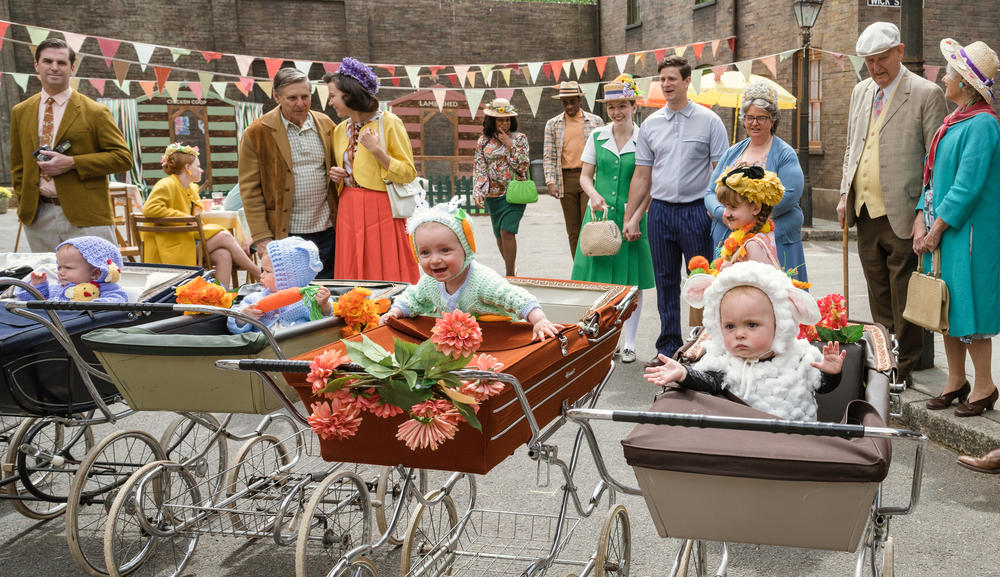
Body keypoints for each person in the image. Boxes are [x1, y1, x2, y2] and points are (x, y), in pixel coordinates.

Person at [838, 22, 948, 384]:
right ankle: (883, 358)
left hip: (905, 211)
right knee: (878, 292)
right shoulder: (860, 92)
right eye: (869, 61)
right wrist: (843, 195)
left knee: (906, 295)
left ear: (900, 52)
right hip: (865, 210)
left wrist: (924, 213)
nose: (874, 67)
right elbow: (851, 149)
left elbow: (936, 162)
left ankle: (906, 367)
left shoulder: (926, 92)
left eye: (881, 59)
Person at [622, 55, 729, 367]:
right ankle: (668, 348)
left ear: (686, 81)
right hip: (661, 214)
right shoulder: (651, 126)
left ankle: (705, 349)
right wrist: (632, 217)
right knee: (665, 282)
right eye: (662, 80)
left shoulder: (710, 121)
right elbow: (642, 176)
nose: (666, 85)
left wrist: (713, 209)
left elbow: (720, 172)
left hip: (698, 212)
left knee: (703, 283)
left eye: (672, 79)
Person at [914, 39, 1000, 417]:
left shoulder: (982, 124)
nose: (942, 78)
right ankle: (956, 382)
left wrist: (937, 228)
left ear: (964, 83)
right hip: (947, 229)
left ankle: (984, 386)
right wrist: (922, 214)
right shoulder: (955, 121)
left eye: (948, 73)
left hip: (970, 235)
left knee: (972, 309)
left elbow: (968, 185)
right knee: (948, 309)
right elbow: (933, 177)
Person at [645, 262, 845, 422]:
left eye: (751, 325)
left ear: (779, 324)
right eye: (730, 327)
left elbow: (823, 387)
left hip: (796, 447)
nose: (739, 334)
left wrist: (831, 372)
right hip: (743, 449)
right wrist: (684, 374)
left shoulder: (800, 357)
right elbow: (709, 383)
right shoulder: (724, 359)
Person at [9, 38, 133, 252]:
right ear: (36, 66)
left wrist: (73, 162)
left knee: (99, 282)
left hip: (87, 216)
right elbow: (18, 164)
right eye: (48, 61)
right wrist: (24, 203)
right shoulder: (21, 111)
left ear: (72, 68)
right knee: (49, 282)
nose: (54, 67)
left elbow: (123, 158)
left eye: (62, 62)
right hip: (38, 217)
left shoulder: (95, 111)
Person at [380, 198, 562, 342]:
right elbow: (413, 299)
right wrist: (394, 312)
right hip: (459, 343)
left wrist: (539, 320)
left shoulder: (482, 280)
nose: (435, 260)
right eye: (425, 252)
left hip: (501, 339)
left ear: (466, 248)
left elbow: (516, 298)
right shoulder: (429, 282)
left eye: (445, 250)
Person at [570, 75, 653, 363]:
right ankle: (605, 338)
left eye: (622, 106)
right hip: (600, 216)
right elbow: (584, 176)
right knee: (600, 279)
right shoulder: (597, 136)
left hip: (631, 216)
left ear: (633, 105)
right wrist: (592, 194)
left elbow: (650, 183)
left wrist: (638, 215)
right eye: (612, 107)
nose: (617, 112)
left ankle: (629, 342)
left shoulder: (645, 138)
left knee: (632, 282)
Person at [325, 57, 419, 284]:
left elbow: (408, 173)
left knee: (385, 267)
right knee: (352, 268)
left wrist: (377, 151)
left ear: (349, 95)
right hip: (348, 207)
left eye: (332, 96)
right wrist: (337, 175)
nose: (329, 103)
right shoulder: (339, 130)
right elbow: (351, 170)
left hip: (382, 207)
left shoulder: (389, 122)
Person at [239, 67, 338, 278]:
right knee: (290, 295)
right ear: (276, 96)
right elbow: (250, 190)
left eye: (305, 96)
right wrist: (262, 236)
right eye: (292, 98)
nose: (300, 103)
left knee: (328, 293)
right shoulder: (256, 133)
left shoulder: (326, 124)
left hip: (327, 230)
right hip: (285, 234)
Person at [705, 81, 807, 281]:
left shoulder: (785, 154)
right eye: (750, 117)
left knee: (775, 298)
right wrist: (723, 214)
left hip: (772, 242)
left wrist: (750, 220)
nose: (754, 123)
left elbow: (789, 195)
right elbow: (710, 192)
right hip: (729, 238)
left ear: (773, 119)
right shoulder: (733, 152)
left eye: (761, 117)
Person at [143, 143, 259, 289]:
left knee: (223, 254)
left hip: (185, 241)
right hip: (170, 246)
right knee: (224, 236)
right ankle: (257, 272)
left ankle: (218, 298)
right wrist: (185, 219)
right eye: (198, 166)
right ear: (187, 168)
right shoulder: (166, 184)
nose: (201, 170)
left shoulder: (190, 188)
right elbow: (149, 209)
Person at [544, 81, 604, 259]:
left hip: (590, 177)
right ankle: (578, 267)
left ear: (579, 100)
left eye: (572, 101)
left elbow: (602, 152)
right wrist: (550, 181)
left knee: (591, 224)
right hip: (566, 179)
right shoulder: (552, 124)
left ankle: (592, 263)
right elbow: (549, 154)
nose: (569, 106)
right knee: (573, 230)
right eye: (565, 103)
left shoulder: (595, 121)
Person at [472, 98, 531, 277]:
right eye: (500, 119)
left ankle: (510, 275)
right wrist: (479, 190)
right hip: (493, 195)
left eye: (507, 119)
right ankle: (511, 268)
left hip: (514, 193)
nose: (505, 123)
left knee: (507, 231)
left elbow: (523, 165)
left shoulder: (519, 139)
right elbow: (480, 166)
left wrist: (509, 145)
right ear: (492, 120)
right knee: (499, 234)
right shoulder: (483, 141)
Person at [228, 236, 332, 334]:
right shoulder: (254, 299)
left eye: (267, 271)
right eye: (262, 270)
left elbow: (327, 321)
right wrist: (244, 316)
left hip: (299, 346)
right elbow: (234, 327)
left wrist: (324, 305)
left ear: (289, 278)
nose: (261, 275)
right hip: (266, 348)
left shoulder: (308, 299)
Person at [712, 165, 785, 270]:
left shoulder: (752, 245)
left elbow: (763, 281)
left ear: (755, 208)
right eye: (725, 206)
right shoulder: (753, 236)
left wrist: (730, 271)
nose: (726, 214)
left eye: (733, 207)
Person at [14, 236, 127, 302]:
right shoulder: (57, 288)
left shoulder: (106, 289)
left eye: (68, 268)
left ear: (96, 273)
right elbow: (29, 299)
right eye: (59, 267)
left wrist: (92, 305)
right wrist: (38, 286)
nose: (60, 273)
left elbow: (118, 300)